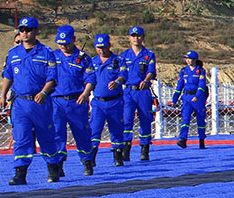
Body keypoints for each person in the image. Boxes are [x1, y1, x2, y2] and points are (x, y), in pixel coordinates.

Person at [0, 16, 63, 185]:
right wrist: (3, 94)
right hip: (20, 103)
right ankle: (20, 173)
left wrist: (43, 92)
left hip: (40, 103)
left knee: (46, 136)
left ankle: (53, 168)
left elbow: (52, 77)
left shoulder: (46, 53)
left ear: (36, 31)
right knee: (21, 138)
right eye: (22, 30)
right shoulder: (13, 53)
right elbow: (8, 75)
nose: (24, 33)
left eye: (28, 30)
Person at [51, 25, 97, 176]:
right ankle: (58, 164)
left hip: (76, 101)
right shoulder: (52, 57)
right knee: (57, 134)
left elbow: (90, 78)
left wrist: (85, 93)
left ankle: (87, 161)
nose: (63, 46)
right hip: (56, 102)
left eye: (67, 43)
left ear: (74, 40)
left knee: (81, 133)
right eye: (60, 43)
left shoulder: (83, 58)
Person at [120, 26, 157, 161]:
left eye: (139, 35)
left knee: (145, 120)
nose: (136, 38)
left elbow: (151, 71)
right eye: (133, 36)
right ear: (129, 38)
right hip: (129, 91)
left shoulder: (148, 54)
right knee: (127, 120)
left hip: (143, 92)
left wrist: (146, 80)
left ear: (143, 37)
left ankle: (144, 148)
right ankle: (126, 149)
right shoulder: (123, 56)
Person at [89, 34, 126, 167]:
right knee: (95, 128)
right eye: (99, 48)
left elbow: (124, 75)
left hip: (114, 102)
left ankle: (118, 155)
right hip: (98, 102)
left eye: (104, 47)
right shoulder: (92, 62)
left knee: (116, 128)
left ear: (109, 46)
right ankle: (92, 156)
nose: (101, 50)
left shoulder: (118, 60)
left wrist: (117, 81)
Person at [172, 51, 208, 149]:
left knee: (200, 119)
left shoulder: (200, 71)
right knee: (185, 119)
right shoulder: (183, 71)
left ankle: (201, 139)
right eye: (187, 59)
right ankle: (183, 139)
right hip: (187, 98)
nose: (188, 61)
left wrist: (197, 96)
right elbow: (179, 86)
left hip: (198, 98)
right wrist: (174, 99)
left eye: (190, 59)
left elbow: (201, 85)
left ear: (195, 59)